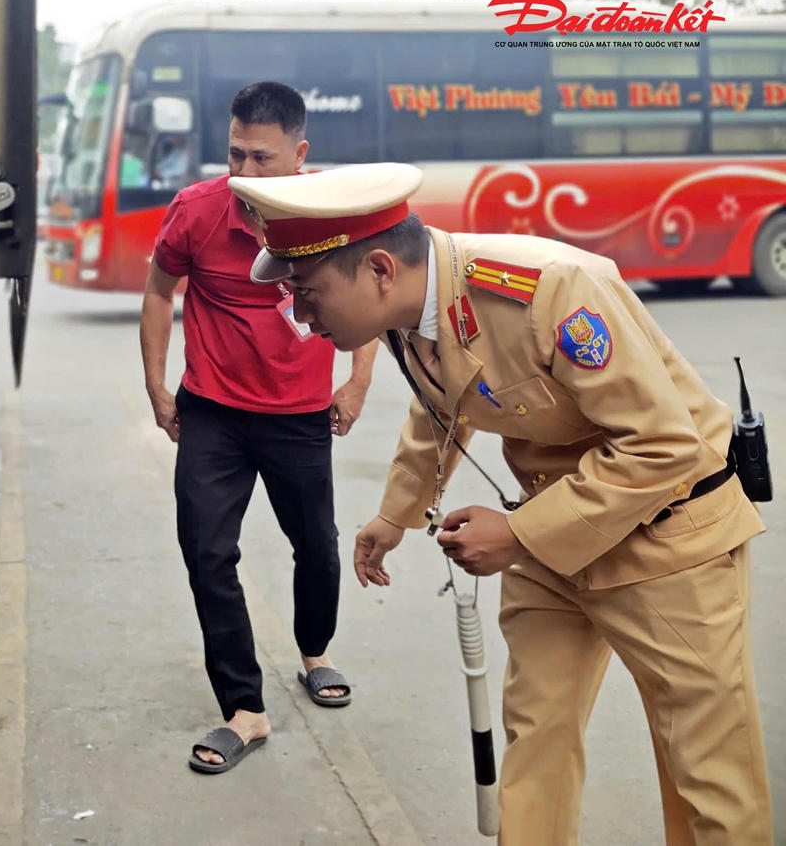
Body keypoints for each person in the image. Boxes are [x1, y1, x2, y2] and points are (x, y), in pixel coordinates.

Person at [228, 162, 772, 842]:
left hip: (668, 537)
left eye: (307, 295)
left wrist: (518, 534)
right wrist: (397, 515)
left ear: (378, 270)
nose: (301, 320)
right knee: (535, 741)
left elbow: (663, 446)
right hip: (552, 537)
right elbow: (442, 407)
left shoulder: (551, 292)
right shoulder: (403, 313)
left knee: (704, 770)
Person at [139, 82, 380, 775]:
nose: (245, 173)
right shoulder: (198, 211)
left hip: (300, 413)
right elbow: (160, 292)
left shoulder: (333, 213)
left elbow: (369, 298)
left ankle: (315, 651)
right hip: (212, 408)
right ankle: (244, 708)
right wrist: (157, 385)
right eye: (235, 155)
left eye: (263, 159)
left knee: (317, 546)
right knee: (207, 550)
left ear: (300, 155)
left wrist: (357, 381)